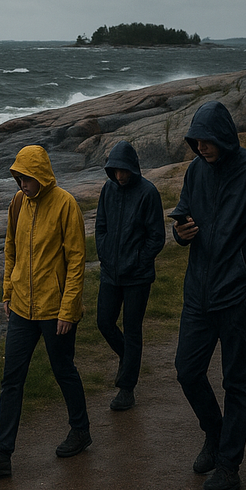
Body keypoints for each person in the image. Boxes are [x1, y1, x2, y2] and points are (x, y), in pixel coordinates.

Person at [170, 101, 246, 490]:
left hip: (237, 299)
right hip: (198, 295)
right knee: (187, 370)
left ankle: (229, 465)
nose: (201, 147)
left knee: (235, 381)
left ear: (224, 136)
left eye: (206, 140)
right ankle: (215, 433)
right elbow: (184, 215)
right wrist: (180, 233)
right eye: (196, 141)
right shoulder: (195, 171)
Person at [0, 145, 90, 477]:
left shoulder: (66, 204)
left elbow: (77, 261)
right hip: (22, 307)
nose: (23, 184)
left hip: (55, 310)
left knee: (63, 370)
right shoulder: (18, 204)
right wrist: (8, 290)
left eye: (28, 178)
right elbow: (11, 248)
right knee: (12, 379)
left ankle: (80, 430)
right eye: (19, 178)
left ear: (42, 176)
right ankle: (2, 454)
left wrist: (68, 309)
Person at [95, 140, 165, 412]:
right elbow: (101, 226)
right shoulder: (107, 189)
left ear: (133, 168)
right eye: (115, 171)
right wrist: (104, 253)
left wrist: (137, 261)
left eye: (124, 171)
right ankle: (129, 358)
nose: (120, 176)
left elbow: (156, 237)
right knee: (104, 322)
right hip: (110, 272)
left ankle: (127, 389)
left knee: (133, 329)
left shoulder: (148, 193)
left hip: (138, 276)